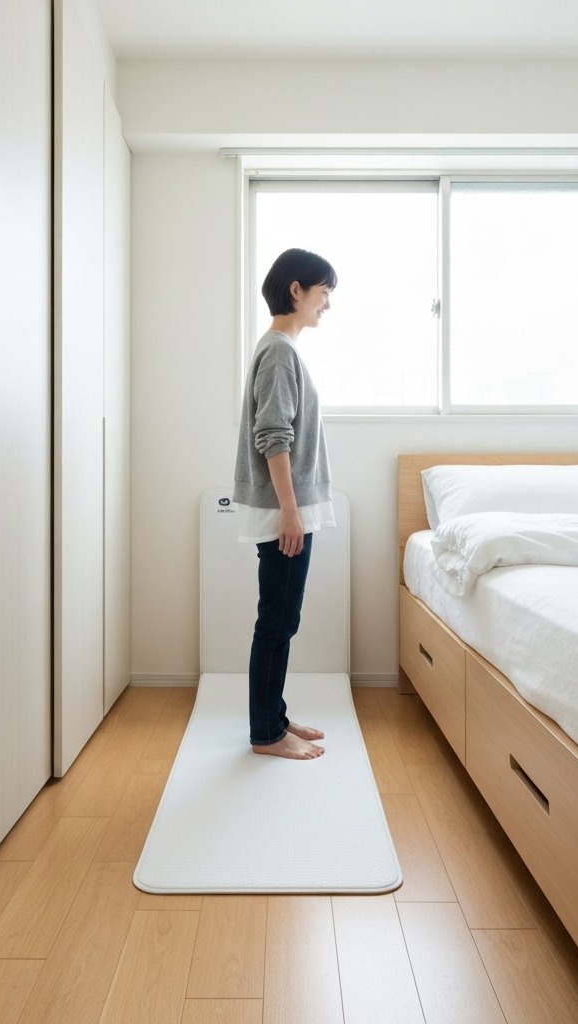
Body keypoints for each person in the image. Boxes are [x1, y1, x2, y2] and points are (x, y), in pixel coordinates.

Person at [233, 248, 338, 760]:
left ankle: (272, 715)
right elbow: (272, 436)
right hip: (284, 512)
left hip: (286, 509)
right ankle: (266, 733)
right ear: (296, 289)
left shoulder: (281, 349)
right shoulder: (278, 351)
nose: (327, 305)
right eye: (324, 293)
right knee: (276, 620)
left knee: (280, 617)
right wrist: (290, 511)